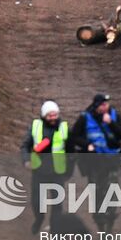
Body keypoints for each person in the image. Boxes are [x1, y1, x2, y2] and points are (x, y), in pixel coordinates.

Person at [68, 94, 121, 231]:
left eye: (106, 104)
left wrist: (111, 123)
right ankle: (100, 222)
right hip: (93, 163)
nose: (105, 106)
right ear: (96, 106)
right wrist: (86, 145)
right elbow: (74, 136)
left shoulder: (114, 116)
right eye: (102, 104)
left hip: (111, 161)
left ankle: (110, 221)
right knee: (96, 192)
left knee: (111, 191)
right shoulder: (85, 118)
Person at [22, 99, 70, 233]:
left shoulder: (64, 127)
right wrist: (26, 160)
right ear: (44, 116)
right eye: (50, 115)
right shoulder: (35, 127)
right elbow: (25, 145)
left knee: (57, 203)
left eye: (55, 115)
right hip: (39, 170)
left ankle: (54, 227)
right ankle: (39, 218)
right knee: (37, 202)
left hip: (57, 171)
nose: (53, 118)